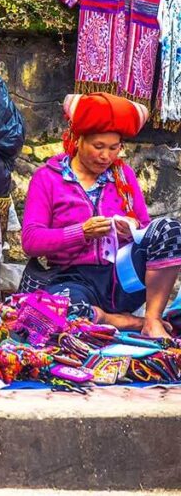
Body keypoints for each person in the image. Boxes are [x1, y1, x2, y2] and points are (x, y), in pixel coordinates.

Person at [20, 92, 181, 338]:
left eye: (114, 148)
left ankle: (151, 319)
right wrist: (81, 232)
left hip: (123, 278)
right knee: (59, 313)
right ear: (77, 140)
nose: (106, 156)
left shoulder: (123, 175)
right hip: (72, 279)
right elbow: (31, 240)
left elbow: (148, 229)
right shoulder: (48, 178)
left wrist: (132, 230)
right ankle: (121, 321)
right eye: (98, 147)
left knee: (169, 230)